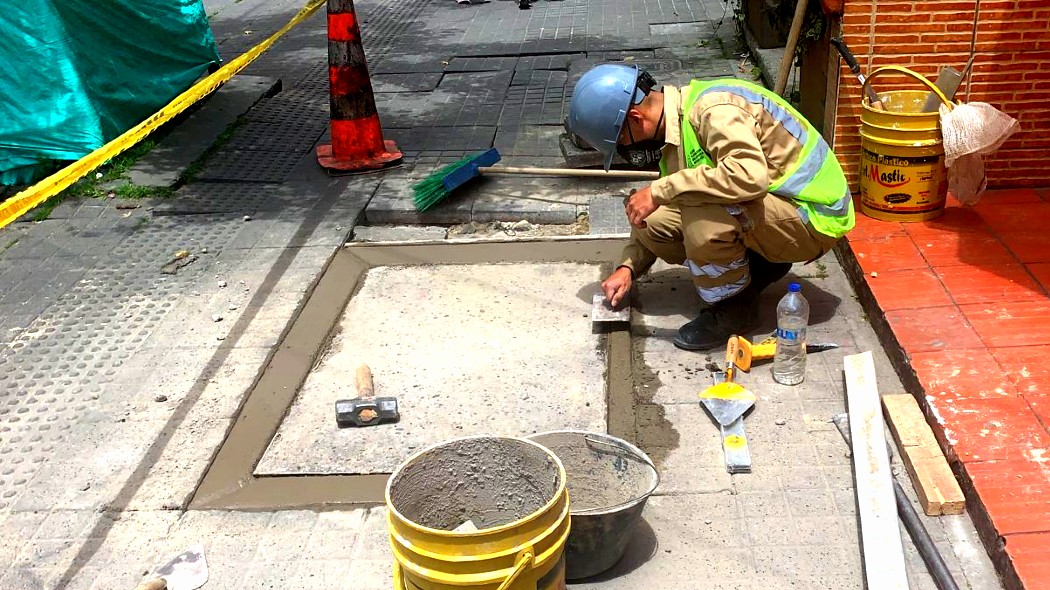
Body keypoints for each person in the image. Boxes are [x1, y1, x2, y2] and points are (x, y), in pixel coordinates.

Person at [567, 64, 854, 350]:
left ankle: (734, 313)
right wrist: (627, 268)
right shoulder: (674, 135)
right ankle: (758, 268)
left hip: (815, 217)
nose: (625, 151)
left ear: (635, 117)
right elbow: (662, 205)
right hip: (778, 213)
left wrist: (660, 190)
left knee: (701, 211)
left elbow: (749, 177)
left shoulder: (714, 110)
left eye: (620, 143)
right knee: (652, 215)